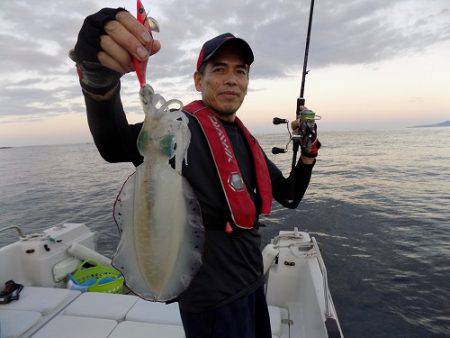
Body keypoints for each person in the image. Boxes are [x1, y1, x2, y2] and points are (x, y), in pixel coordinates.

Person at [70, 7, 320, 338]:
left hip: (250, 282)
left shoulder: (246, 143)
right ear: (198, 80)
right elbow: (112, 143)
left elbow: (289, 195)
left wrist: (308, 155)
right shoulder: (175, 128)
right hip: (210, 299)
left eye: (241, 71)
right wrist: (97, 79)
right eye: (220, 69)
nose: (232, 78)